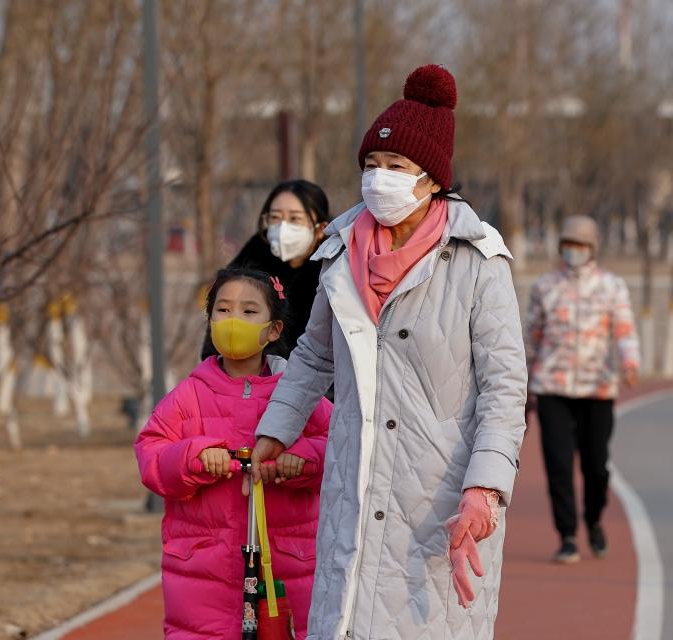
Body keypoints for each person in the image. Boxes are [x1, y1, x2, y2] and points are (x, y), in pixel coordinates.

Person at [250, 65, 527, 638]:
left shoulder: (478, 262)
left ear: (431, 180)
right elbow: (312, 356)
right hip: (355, 485)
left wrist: (486, 488)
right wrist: (277, 426)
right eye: (371, 167)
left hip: (438, 498)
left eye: (395, 168)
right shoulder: (339, 251)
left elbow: (504, 389)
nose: (378, 180)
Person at [135, 268, 332, 639]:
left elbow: (341, 445)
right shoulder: (189, 394)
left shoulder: (298, 395)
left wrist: (303, 460)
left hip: (289, 567)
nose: (233, 320)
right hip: (203, 571)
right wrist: (193, 457)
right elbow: (151, 455)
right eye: (223, 310)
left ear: (274, 330)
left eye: (248, 311)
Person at [524, 214, 640, 564]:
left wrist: (630, 361)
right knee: (558, 464)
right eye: (569, 244)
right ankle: (568, 535)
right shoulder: (545, 286)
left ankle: (593, 518)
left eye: (581, 245)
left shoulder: (611, 286)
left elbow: (624, 328)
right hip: (552, 387)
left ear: (592, 249)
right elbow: (532, 337)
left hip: (597, 387)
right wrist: (524, 383)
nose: (574, 251)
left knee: (596, 466)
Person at [202, 180, 331, 358]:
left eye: (295, 219)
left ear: (320, 229)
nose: (283, 228)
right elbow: (222, 310)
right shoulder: (254, 256)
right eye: (275, 217)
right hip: (248, 372)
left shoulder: (334, 268)